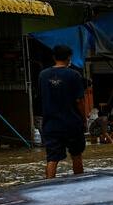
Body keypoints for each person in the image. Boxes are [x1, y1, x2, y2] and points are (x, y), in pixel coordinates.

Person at [37, 44, 91, 178]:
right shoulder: (74, 75)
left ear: (54, 57)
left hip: (51, 124)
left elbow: (40, 98)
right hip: (71, 123)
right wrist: (84, 119)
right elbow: (79, 101)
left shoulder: (43, 76)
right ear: (69, 58)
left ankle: (49, 186)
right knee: (76, 155)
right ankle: (79, 183)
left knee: (52, 159)